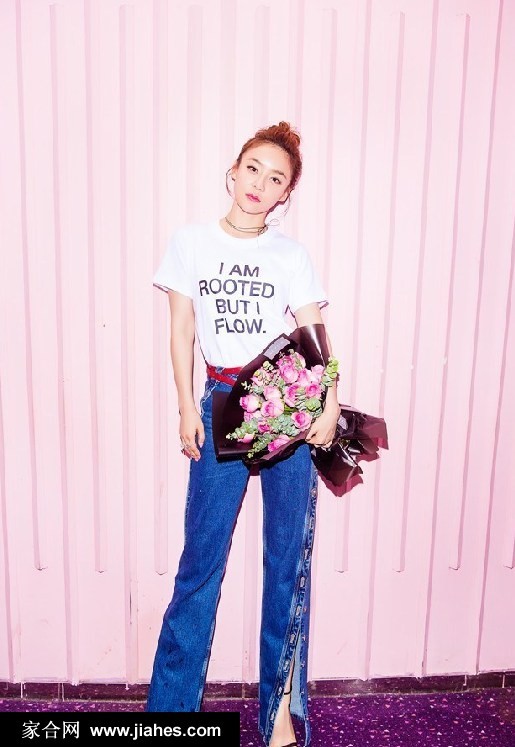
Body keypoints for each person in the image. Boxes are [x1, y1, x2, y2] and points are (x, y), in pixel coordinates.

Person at [146, 121, 341, 747]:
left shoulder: (291, 255)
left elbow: (313, 335)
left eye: (276, 178)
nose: (260, 183)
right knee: (200, 566)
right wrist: (186, 407)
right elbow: (181, 332)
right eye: (253, 168)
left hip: (285, 410)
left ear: (285, 195)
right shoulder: (190, 243)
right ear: (233, 172)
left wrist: (329, 403)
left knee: (286, 564)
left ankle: (278, 712)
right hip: (219, 403)